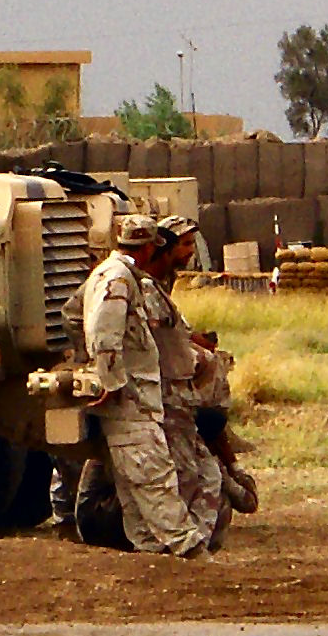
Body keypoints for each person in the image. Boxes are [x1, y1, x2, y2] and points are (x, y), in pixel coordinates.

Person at [61, 212, 210, 557]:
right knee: (155, 476)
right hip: (131, 400)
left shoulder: (112, 274)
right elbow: (103, 332)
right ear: (145, 249)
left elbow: (73, 314)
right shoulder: (118, 279)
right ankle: (189, 549)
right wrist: (110, 381)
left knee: (132, 484)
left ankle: (149, 552)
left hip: (133, 398)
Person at [144, 214, 229, 545]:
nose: (190, 252)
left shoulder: (165, 281)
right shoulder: (147, 284)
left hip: (168, 390)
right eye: (186, 245)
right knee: (187, 472)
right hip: (160, 391)